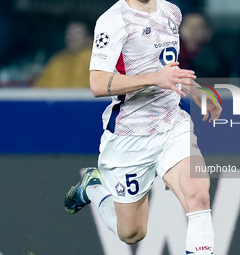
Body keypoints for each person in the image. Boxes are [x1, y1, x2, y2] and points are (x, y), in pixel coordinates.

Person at [64, 0, 222, 254]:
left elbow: (165, 66)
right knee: (132, 233)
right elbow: (97, 82)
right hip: (130, 135)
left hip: (172, 123)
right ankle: (93, 187)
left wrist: (195, 90)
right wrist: (155, 79)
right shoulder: (113, 20)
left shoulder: (171, 11)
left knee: (198, 195)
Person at [34, 20, 93, 88]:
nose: (71, 38)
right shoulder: (58, 59)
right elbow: (39, 87)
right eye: (69, 34)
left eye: (77, 35)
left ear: (88, 38)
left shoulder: (95, 60)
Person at [179, 12, 226, 78]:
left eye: (197, 27)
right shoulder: (171, 53)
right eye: (187, 26)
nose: (192, 31)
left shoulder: (213, 59)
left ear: (208, 32)